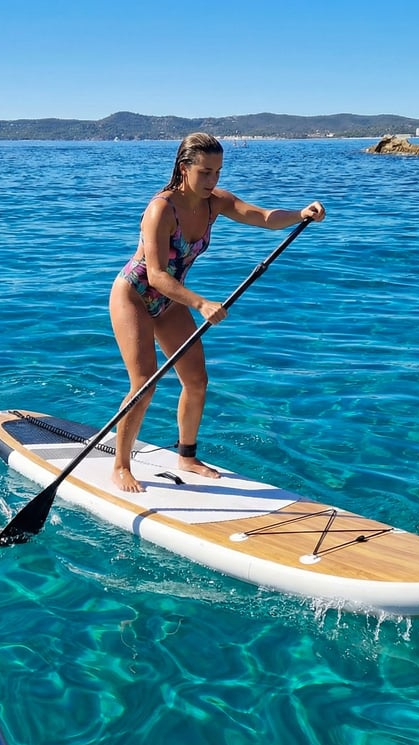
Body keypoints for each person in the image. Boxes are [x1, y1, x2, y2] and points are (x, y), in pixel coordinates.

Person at [109, 132, 325, 493]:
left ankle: (187, 456)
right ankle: (120, 466)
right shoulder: (161, 209)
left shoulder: (215, 203)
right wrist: (200, 303)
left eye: (218, 172)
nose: (213, 180)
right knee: (145, 383)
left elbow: (264, 217)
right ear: (184, 168)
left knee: (197, 380)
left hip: (170, 300)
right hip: (134, 295)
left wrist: (300, 214)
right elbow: (157, 275)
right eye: (205, 172)